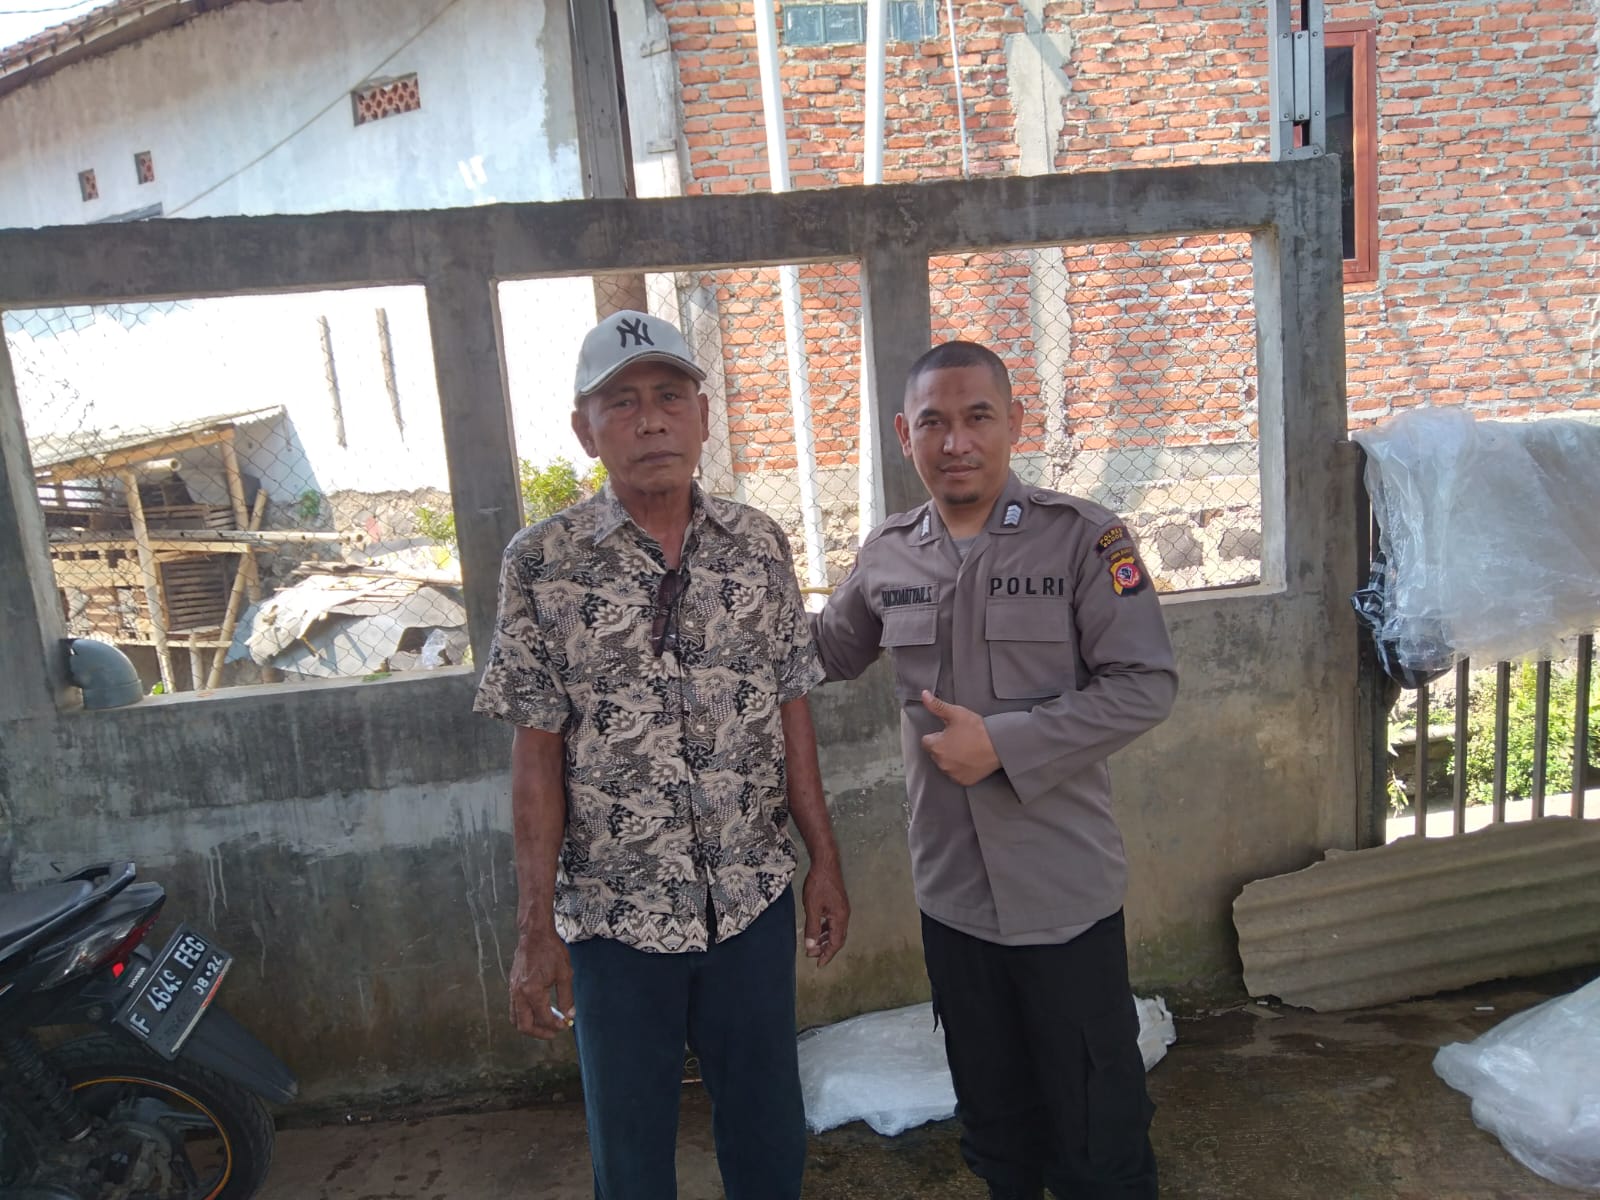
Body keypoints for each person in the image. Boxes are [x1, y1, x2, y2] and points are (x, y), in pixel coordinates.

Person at [474, 309, 850, 1200]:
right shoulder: (543, 564)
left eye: (670, 397)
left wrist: (824, 862)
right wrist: (535, 929)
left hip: (751, 900)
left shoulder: (757, 546)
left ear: (703, 416)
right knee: (632, 1154)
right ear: (585, 429)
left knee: (768, 1137)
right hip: (616, 920)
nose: (650, 421)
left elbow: (791, 709)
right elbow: (536, 756)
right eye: (622, 402)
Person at [811, 340, 1177, 1200]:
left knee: (1097, 1136)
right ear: (904, 434)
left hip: (1062, 894)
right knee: (995, 1128)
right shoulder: (888, 554)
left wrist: (1006, 745)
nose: (957, 442)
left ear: (1015, 421)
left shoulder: (1083, 540)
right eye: (933, 422)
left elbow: (1145, 685)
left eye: (978, 417)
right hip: (953, 899)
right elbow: (822, 654)